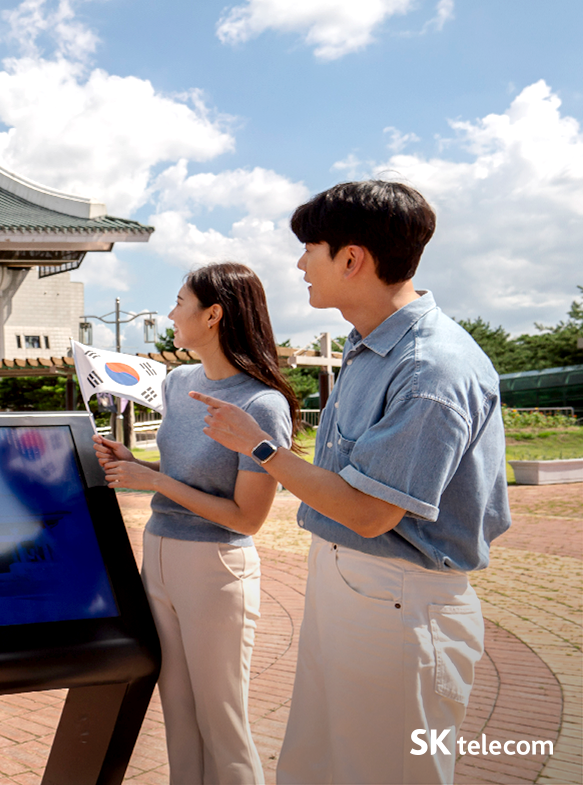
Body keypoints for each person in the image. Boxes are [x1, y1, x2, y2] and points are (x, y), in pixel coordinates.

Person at [191, 181, 509, 785]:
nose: (300, 263)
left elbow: (367, 513)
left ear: (352, 258)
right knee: (320, 766)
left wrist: (258, 446)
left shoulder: (428, 367)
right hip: (358, 588)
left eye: (311, 248)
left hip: (401, 600)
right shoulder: (372, 348)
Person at [94, 262, 297, 785]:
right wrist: (139, 467)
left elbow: (246, 517)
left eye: (180, 302)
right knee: (178, 713)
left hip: (215, 567)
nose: (170, 313)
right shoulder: (179, 381)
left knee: (222, 721)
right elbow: (188, 476)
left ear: (213, 315)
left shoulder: (262, 405)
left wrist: (153, 482)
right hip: (158, 554)